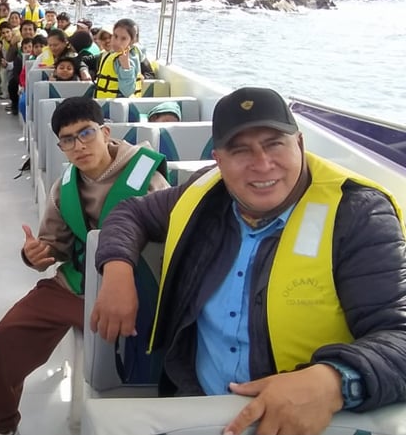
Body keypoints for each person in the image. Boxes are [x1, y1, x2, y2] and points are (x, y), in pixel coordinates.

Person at [91, 87, 406, 435]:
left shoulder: (358, 216)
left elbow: (399, 335)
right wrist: (117, 271)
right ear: (219, 160)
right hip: (197, 405)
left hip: (307, 420)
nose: (262, 164)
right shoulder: (206, 193)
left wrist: (334, 381)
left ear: (299, 144)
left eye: (274, 143)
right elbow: (130, 212)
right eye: (240, 150)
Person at [0, 97, 169, 435]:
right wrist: (36, 255)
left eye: (86, 133)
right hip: (76, 284)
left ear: (105, 132)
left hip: (138, 287)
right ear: (61, 147)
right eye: (68, 140)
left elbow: (170, 245)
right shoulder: (63, 189)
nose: (78, 146)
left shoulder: (148, 179)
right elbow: (55, 247)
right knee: (8, 334)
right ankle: (2, 424)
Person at [93, 18, 142, 98]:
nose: (117, 42)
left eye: (123, 38)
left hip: (116, 107)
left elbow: (128, 91)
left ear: (132, 41)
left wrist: (126, 68)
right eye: (115, 36)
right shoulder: (112, 53)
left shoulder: (125, 59)